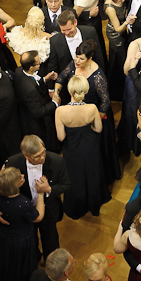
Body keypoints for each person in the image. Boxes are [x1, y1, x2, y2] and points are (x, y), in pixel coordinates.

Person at [55, 39, 120, 185]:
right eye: (76, 57)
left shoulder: (98, 77)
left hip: (94, 115)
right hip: (77, 112)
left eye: (81, 58)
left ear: (90, 59)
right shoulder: (73, 64)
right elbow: (61, 77)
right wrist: (56, 92)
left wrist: (93, 119)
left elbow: (105, 102)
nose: (77, 61)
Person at [0, 165, 45, 281]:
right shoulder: (22, 203)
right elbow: (38, 217)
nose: (23, 177)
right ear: (13, 187)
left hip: (4, 234)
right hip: (21, 239)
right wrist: (41, 195)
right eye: (20, 178)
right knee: (19, 266)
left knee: (6, 260)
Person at [54, 76, 109, 219]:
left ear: (70, 90)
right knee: (92, 173)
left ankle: (77, 205)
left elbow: (61, 137)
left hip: (72, 148)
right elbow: (98, 129)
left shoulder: (60, 111)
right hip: (90, 146)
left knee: (75, 176)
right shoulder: (92, 108)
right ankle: (93, 202)